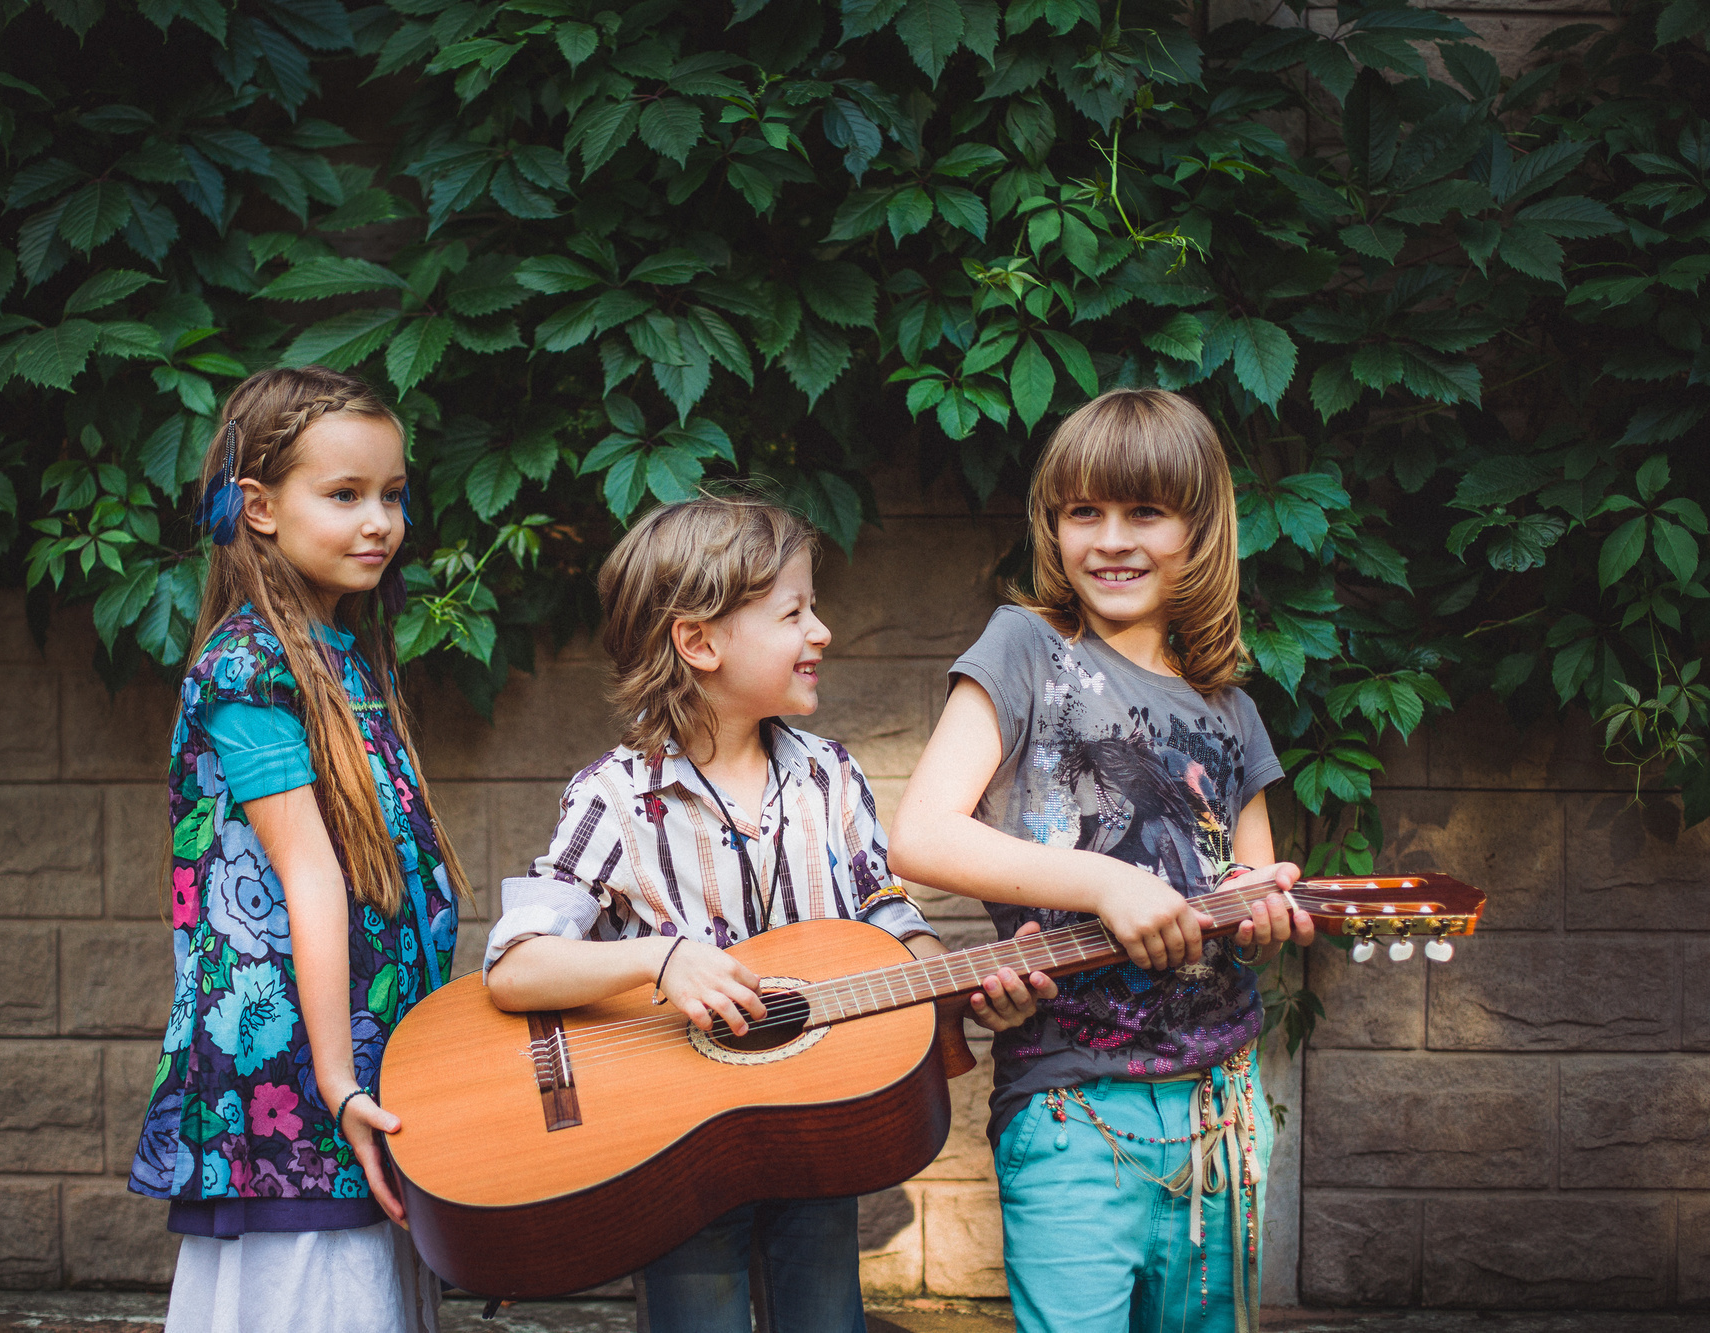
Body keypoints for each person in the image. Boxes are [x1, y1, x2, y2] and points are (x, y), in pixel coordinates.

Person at [482, 492, 1056, 1333]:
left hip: (814, 1135)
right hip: (675, 1150)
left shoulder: (829, 776)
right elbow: (515, 963)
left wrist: (953, 977)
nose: (822, 630)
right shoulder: (613, 796)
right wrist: (661, 959)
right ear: (699, 641)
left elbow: (884, 911)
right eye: (794, 612)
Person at [889, 388, 1316, 1333]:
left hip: (1219, 1108)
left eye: (1146, 513)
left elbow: (1245, 912)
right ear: (1053, 524)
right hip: (1071, 1103)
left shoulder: (1231, 711)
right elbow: (920, 833)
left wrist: (1267, 920)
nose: (1111, 539)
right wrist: (1109, 882)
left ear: (1199, 530)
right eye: (1085, 511)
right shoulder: (1027, 648)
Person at [129, 367, 470, 1333]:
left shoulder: (344, 653)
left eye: (394, 496)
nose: (381, 522)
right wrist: (339, 1083)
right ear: (260, 508)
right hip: (297, 1073)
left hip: (362, 1048)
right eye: (347, 494)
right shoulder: (249, 667)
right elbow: (310, 877)